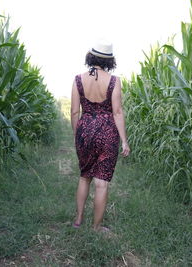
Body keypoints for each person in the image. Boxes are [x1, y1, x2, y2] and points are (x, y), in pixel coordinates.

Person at [70, 40, 130, 232]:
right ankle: (96, 227)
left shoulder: (78, 79)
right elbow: (118, 112)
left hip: (85, 129)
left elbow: (74, 112)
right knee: (101, 182)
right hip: (107, 132)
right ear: (109, 61)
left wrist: (77, 135)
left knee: (84, 177)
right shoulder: (114, 81)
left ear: (91, 57)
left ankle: (78, 219)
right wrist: (125, 141)